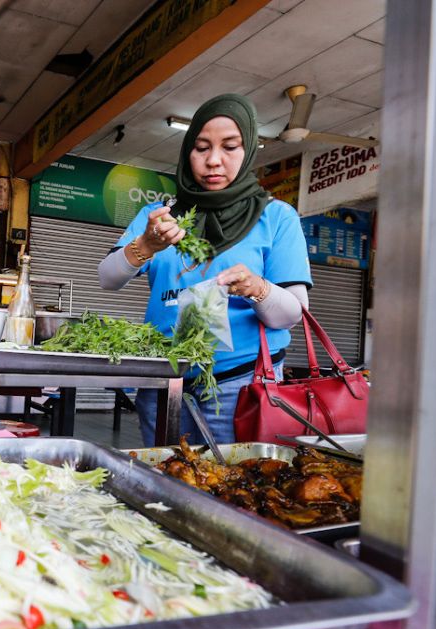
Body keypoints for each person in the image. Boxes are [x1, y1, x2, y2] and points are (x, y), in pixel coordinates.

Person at [98, 93, 312, 446]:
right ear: (187, 152)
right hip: (164, 382)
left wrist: (257, 287)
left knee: (234, 488)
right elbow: (107, 278)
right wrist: (146, 246)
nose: (214, 161)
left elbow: (292, 314)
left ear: (248, 152)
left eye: (230, 147)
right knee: (167, 483)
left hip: (242, 384)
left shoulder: (276, 216)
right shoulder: (160, 214)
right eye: (201, 148)